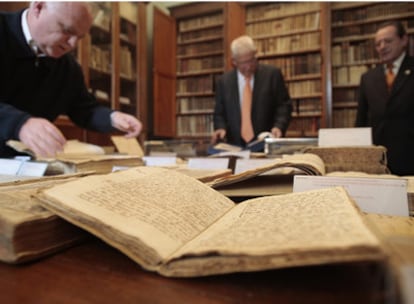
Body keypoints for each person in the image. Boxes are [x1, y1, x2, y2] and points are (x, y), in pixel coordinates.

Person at [0, 2, 142, 158]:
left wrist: (113, 118)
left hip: (21, 164)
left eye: (79, 37)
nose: (72, 44)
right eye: (67, 30)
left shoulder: (68, 67)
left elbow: (84, 109)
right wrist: (19, 124)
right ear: (38, 8)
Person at [211, 35, 292, 150]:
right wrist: (220, 128)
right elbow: (219, 112)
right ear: (234, 61)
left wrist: (278, 126)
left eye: (251, 60)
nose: (248, 66)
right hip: (234, 147)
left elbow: (284, 106)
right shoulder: (224, 82)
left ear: (256, 55)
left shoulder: (272, 75)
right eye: (243, 63)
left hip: (265, 144)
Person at [355, 21, 414, 175]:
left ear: (404, 40)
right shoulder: (368, 78)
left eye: (388, 41)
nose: (382, 47)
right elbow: (361, 121)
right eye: (378, 44)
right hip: (378, 162)